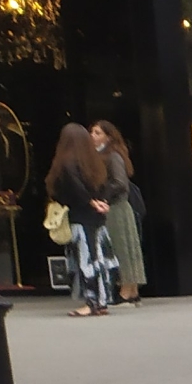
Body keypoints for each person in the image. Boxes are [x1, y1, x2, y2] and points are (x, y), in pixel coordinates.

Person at [47, 122, 116, 317]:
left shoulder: (67, 162)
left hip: (80, 216)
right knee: (100, 258)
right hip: (97, 218)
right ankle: (102, 301)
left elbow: (71, 189)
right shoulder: (94, 162)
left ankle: (91, 301)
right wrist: (101, 202)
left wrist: (89, 202)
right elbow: (107, 185)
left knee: (85, 259)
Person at [93, 120, 145, 304]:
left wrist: (102, 198)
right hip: (117, 206)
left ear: (108, 136)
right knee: (126, 247)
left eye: (98, 133)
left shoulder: (112, 155)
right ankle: (131, 290)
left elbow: (119, 182)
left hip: (116, 208)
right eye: (93, 132)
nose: (93, 136)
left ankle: (126, 290)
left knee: (121, 248)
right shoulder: (105, 155)